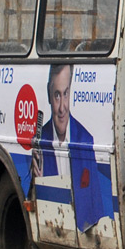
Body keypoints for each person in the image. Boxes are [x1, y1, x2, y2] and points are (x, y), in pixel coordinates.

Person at [31, 64, 111, 232]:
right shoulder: (39, 141)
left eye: (65, 94)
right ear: (48, 95)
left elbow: (96, 206)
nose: (62, 108)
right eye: (57, 95)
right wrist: (35, 183)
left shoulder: (85, 140)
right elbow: (30, 203)